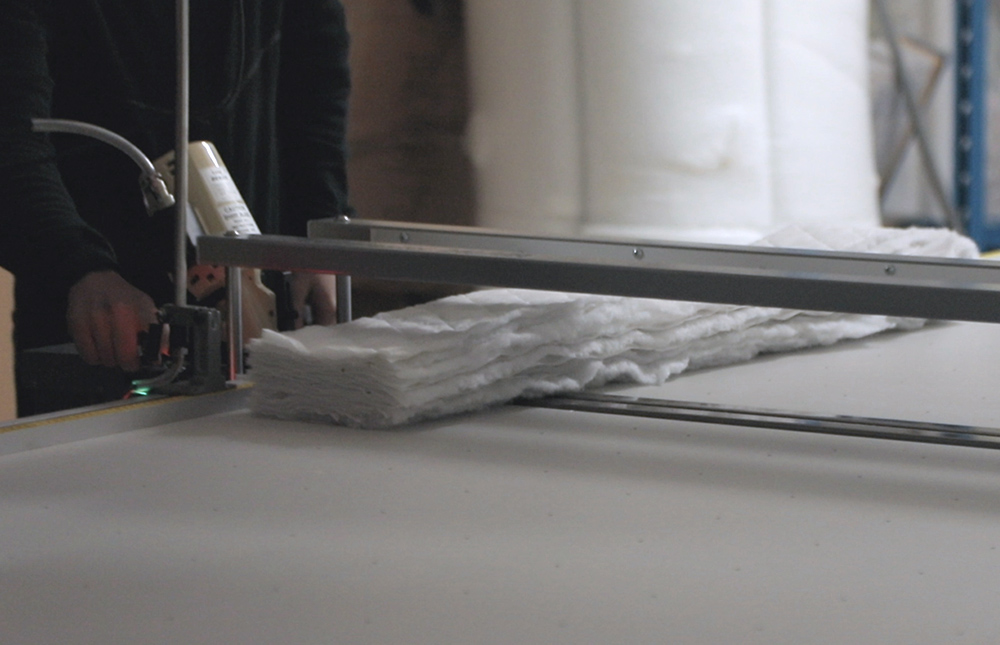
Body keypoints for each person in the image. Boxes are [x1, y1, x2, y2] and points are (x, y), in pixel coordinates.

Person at [0, 1, 351, 408]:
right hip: (95, 309)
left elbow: (315, 79)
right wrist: (77, 267)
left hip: (266, 293)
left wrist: (317, 232)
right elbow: (11, 132)